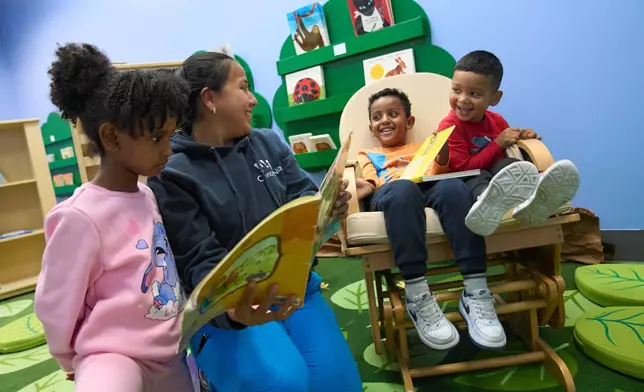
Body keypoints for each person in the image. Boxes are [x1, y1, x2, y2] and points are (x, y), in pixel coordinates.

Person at [147, 51, 362, 392]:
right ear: (210, 99)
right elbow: (199, 261)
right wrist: (231, 314)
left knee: (340, 386)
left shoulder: (267, 142)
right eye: (243, 87)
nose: (251, 100)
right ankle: (207, 370)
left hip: (296, 289)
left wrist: (329, 211)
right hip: (235, 309)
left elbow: (304, 198)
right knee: (285, 384)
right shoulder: (172, 172)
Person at [34, 43, 194, 391]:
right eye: (155, 137)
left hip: (169, 348)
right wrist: (68, 357)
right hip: (111, 354)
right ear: (111, 137)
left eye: (171, 135)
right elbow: (56, 301)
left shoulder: (147, 193)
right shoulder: (80, 217)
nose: (168, 149)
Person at [355, 87, 510, 351]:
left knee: (454, 188)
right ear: (371, 126)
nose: (385, 121)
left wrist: (442, 153)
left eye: (393, 114)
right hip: (390, 193)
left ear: (409, 121)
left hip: (425, 186)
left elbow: (439, 171)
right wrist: (362, 187)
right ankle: (417, 294)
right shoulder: (365, 153)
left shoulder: (421, 146)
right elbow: (370, 180)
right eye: (377, 117)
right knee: (404, 190)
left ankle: (475, 291)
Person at [439, 50, 580, 236]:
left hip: (498, 177)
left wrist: (522, 137)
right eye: (456, 90)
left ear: (494, 98)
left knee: (510, 165)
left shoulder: (497, 120)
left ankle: (536, 194)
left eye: (474, 93)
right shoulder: (449, 126)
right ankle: (486, 203)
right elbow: (463, 168)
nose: (463, 99)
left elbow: (505, 152)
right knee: (477, 176)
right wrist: (498, 143)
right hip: (466, 180)